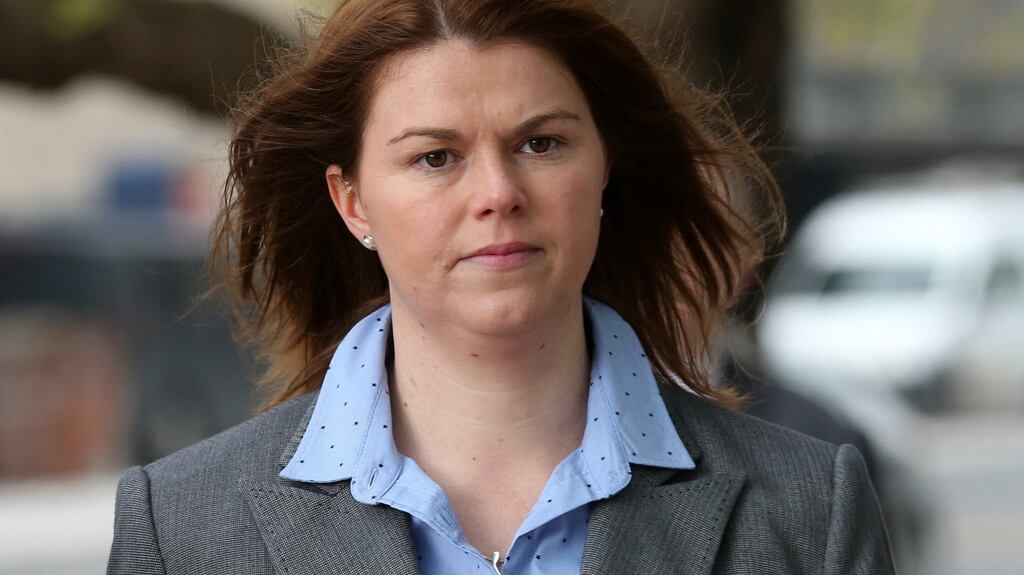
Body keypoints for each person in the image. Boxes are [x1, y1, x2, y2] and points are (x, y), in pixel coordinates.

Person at [107, 0, 895, 573]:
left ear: (603, 172)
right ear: (353, 203)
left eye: (541, 143)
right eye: (435, 157)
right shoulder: (183, 528)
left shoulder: (806, 510)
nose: (497, 192)